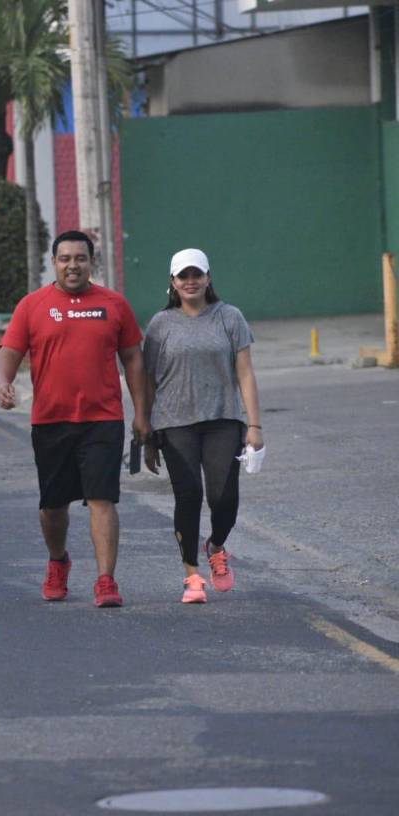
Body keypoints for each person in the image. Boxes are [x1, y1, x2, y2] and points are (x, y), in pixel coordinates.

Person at [0, 230, 150, 608]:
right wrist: (3, 382)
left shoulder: (114, 305)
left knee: (102, 499)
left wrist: (142, 414)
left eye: (80, 258)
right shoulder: (32, 305)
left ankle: (106, 580)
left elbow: (133, 358)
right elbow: (8, 352)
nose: (73, 265)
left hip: (103, 418)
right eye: (65, 258)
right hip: (51, 420)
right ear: (54, 262)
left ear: (91, 262)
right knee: (53, 507)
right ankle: (58, 560)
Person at [142, 248, 263, 604]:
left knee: (224, 497)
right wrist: (146, 432)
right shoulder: (160, 325)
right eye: (183, 276)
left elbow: (245, 372)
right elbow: (147, 380)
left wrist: (254, 425)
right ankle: (192, 576)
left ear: (209, 278)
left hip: (224, 419)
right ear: (173, 282)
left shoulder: (229, 317)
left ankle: (217, 545)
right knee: (188, 495)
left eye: (197, 275)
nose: (191, 281)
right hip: (174, 422)